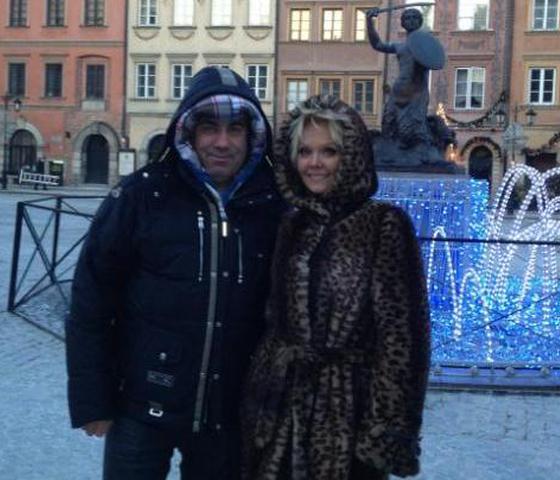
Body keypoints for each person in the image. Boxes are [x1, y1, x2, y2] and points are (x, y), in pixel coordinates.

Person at [65, 66, 285, 479]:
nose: (222, 142)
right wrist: (92, 398)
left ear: (252, 135)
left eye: (235, 129)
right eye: (209, 128)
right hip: (140, 404)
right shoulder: (142, 194)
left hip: (230, 411)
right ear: (189, 132)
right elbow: (91, 299)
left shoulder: (273, 203)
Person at [241, 95, 431, 480]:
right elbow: (274, 322)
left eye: (329, 151)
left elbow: (403, 340)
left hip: (347, 417)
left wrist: (383, 433)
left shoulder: (384, 225)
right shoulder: (292, 224)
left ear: (352, 156)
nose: (314, 163)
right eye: (305, 151)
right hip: (280, 414)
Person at [367, 7, 445, 152]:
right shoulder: (400, 46)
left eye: (414, 17)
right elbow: (377, 44)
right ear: (402, 23)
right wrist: (369, 22)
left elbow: (436, 60)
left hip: (416, 94)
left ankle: (422, 155)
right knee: (389, 127)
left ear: (420, 22)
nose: (411, 20)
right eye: (407, 18)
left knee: (411, 132)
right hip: (397, 93)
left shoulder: (424, 48)